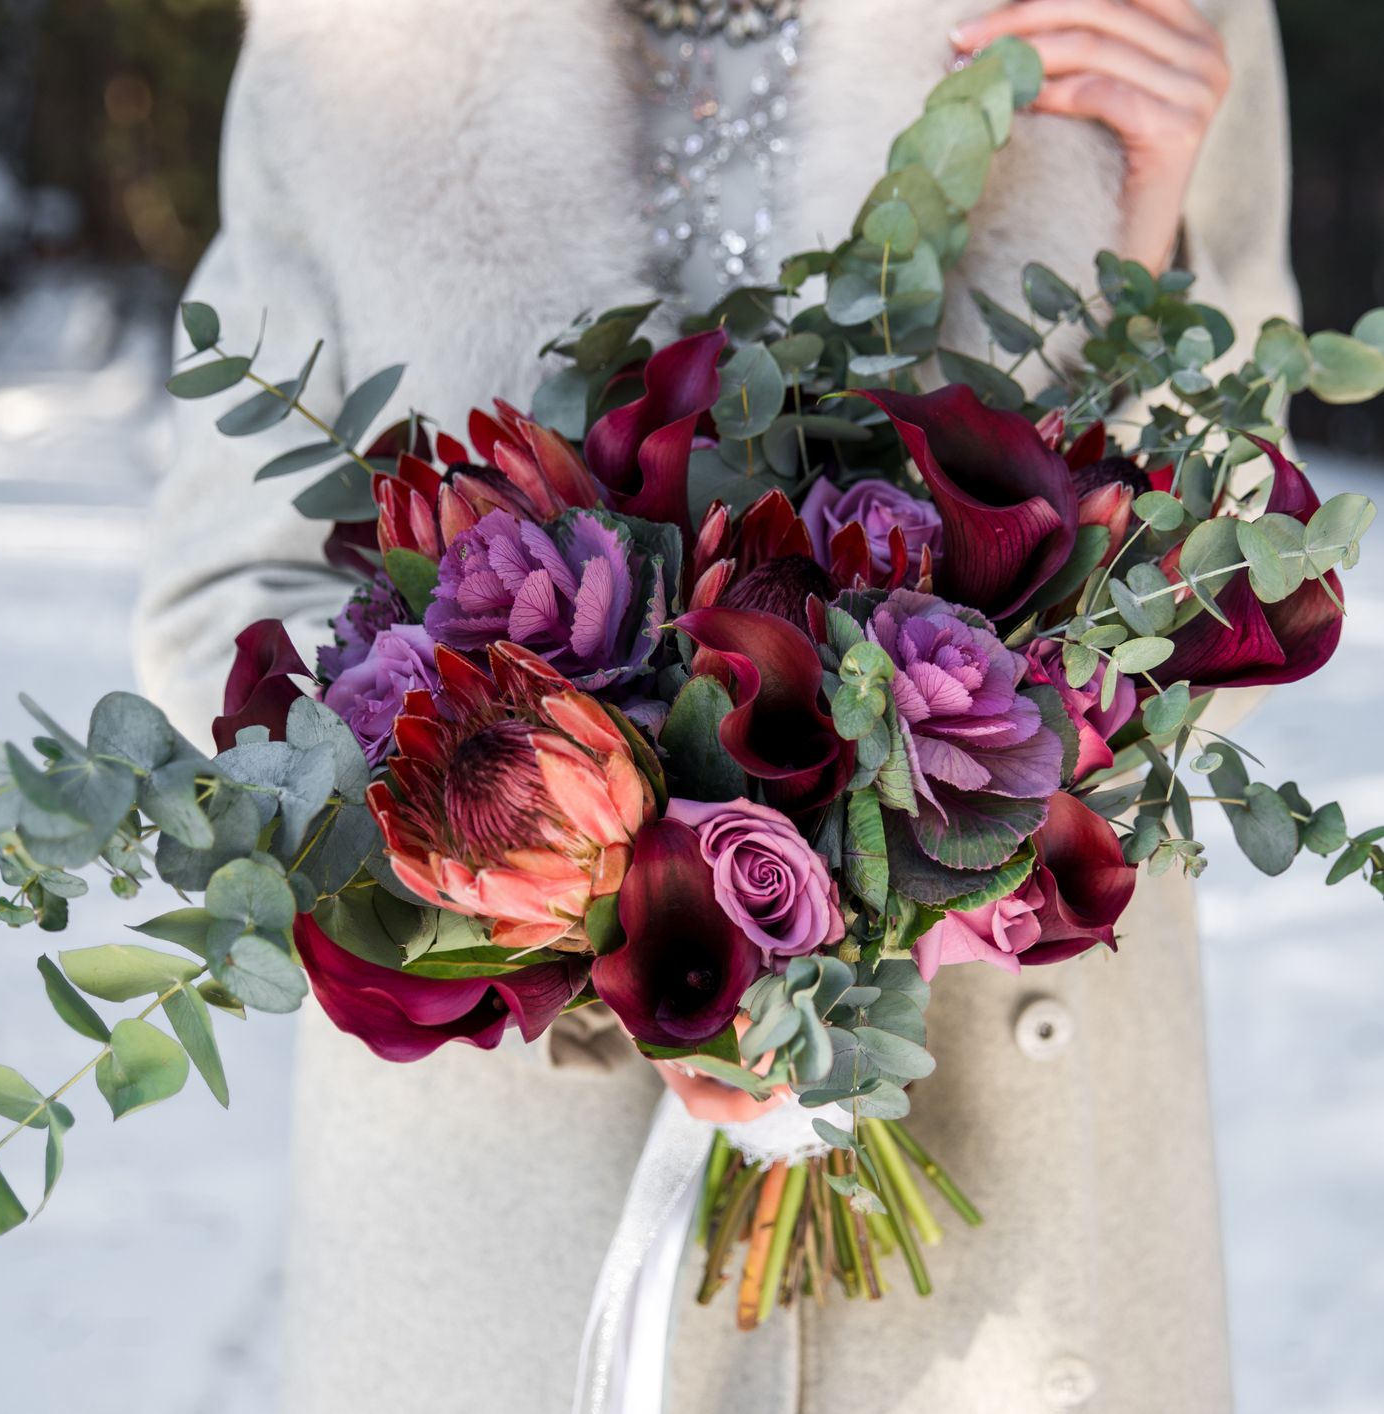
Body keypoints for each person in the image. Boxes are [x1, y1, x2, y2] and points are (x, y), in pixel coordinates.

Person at [132, 1, 1298, 1409]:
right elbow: (227, 599)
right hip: (508, 1226)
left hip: (1008, 1174)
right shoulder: (351, 30)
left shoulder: (1152, 20)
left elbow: (1241, 586)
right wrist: (581, 894)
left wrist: (1154, 221)